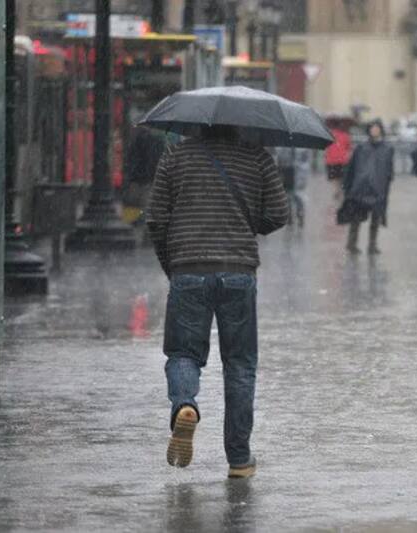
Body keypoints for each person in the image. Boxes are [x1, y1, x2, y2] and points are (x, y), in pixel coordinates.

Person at [145, 124, 289, 478]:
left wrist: (172, 265)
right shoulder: (257, 157)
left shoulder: (175, 156)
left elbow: (156, 219)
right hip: (238, 270)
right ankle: (239, 459)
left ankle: (185, 405)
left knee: (183, 353)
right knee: (239, 364)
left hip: (188, 268)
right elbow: (278, 214)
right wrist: (245, 218)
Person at [337, 119, 394, 255]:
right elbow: (352, 167)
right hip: (361, 188)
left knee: (375, 218)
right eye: (372, 128)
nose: (375, 130)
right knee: (356, 218)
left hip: (378, 189)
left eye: (377, 128)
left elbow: (388, 169)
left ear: (381, 130)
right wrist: (349, 185)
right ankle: (352, 244)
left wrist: (386, 182)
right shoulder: (361, 148)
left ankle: (372, 245)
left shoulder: (387, 149)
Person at [276, 146, 310, 228]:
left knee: (294, 195)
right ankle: (293, 216)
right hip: (289, 172)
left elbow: (280, 160)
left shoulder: (283, 146)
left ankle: (296, 216)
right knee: (291, 195)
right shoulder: (301, 146)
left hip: (293, 172)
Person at [325, 125, 353, 198]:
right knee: (341, 177)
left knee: (334, 177)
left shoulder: (329, 134)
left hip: (331, 160)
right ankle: (339, 189)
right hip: (342, 160)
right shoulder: (345, 135)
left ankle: (336, 190)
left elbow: (325, 146)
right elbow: (349, 147)